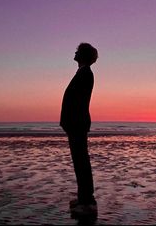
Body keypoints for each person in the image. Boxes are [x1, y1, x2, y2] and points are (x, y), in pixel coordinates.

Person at [60, 42, 98, 217]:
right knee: (80, 161)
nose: (74, 53)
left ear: (83, 55)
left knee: (81, 161)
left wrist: (70, 121)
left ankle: (87, 200)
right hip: (75, 123)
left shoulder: (85, 74)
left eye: (77, 51)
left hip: (77, 123)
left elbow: (78, 102)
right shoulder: (83, 72)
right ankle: (84, 197)